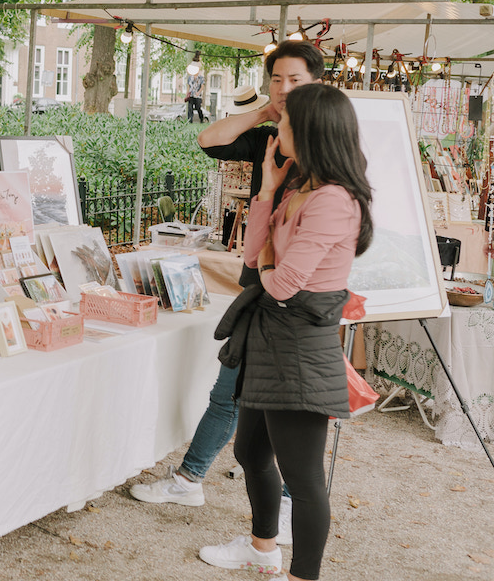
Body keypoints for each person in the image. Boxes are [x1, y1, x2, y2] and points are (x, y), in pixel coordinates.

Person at [130, 41, 324, 544]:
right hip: (260, 286)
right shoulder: (270, 138)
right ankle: (198, 481)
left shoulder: (327, 147)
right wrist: (263, 113)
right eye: (276, 79)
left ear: (317, 83)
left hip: (293, 295)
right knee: (235, 393)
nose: (284, 89)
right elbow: (209, 140)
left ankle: (261, 504)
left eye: (295, 80)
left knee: (267, 402)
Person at [200, 82, 372, 581]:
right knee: (250, 451)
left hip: (300, 342)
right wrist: (269, 190)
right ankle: (262, 549)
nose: (280, 128)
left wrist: (270, 267)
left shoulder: (334, 201)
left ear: (313, 131)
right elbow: (254, 260)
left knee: (304, 476)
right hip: (272, 335)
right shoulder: (300, 189)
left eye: (288, 122)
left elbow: (283, 284)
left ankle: (304, 575)